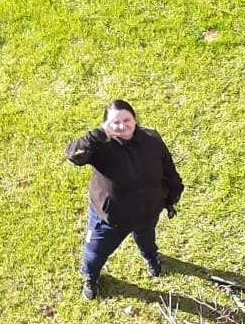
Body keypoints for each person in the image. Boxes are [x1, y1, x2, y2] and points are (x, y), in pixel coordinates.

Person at [65, 99, 184, 300]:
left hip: (147, 212)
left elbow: (168, 169)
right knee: (94, 253)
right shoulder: (99, 146)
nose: (122, 126)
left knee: (147, 241)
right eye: (115, 122)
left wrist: (172, 195)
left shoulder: (151, 139)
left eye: (127, 120)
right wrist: (96, 135)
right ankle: (90, 277)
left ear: (135, 119)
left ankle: (151, 258)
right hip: (109, 218)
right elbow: (74, 155)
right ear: (105, 125)